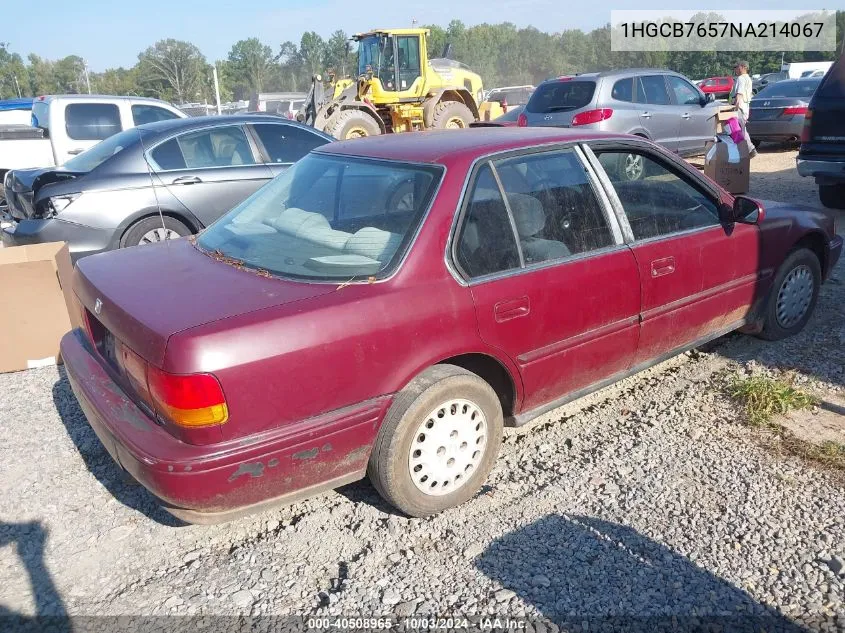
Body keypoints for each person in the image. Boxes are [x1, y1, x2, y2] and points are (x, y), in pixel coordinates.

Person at [730, 60, 757, 158]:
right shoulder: (748, 79)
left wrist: (734, 109)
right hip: (745, 107)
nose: (735, 69)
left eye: (737, 67)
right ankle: (749, 149)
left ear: (743, 67)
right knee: (742, 130)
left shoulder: (741, 78)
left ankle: (749, 149)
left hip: (740, 108)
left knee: (738, 130)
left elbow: (739, 94)